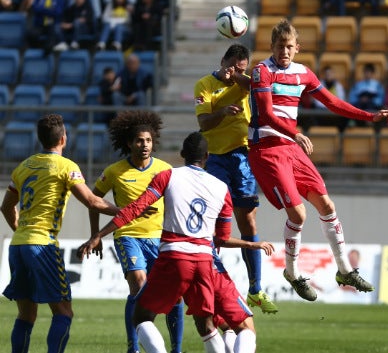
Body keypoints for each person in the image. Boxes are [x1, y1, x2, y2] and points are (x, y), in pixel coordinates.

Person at [78, 132, 267, 353]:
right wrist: (251, 245)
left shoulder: (168, 175)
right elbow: (221, 238)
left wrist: (100, 234)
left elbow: (134, 209)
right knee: (223, 325)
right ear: (207, 156)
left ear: (182, 155)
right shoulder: (221, 188)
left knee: (141, 316)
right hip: (206, 261)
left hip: (173, 257)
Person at [248, 19, 388, 301]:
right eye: (280, 46)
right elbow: (265, 114)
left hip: (290, 147)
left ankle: (344, 269)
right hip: (267, 148)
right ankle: (292, 272)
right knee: (299, 213)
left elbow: (333, 102)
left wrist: (369, 116)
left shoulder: (304, 74)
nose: (284, 51)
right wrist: (297, 133)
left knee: (326, 204)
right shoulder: (262, 71)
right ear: (272, 47)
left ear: (297, 48)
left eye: (289, 47)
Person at [0, 114, 119, 353]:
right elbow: (93, 202)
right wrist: (127, 211)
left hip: (18, 244)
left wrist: (21, 232)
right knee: (63, 311)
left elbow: (5, 206)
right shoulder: (66, 167)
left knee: (26, 314)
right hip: (42, 245)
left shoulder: (24, 166)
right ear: (64, 139)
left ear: (40, 139)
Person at [87, 111, 184, 353]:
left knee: (175, 295)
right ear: (129, 143)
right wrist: (95, 233)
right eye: (139, 140)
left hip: (161, 238)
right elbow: (93, 200)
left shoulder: (165, 170)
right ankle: (133, 348)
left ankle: (177, 348)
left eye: (148, 140)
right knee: (139, 285)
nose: (144, 145)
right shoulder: (114, 171)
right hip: (128, 235)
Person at [194, 43, 278, 314]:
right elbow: (203, 123)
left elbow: (255, 85)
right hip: (215, 158)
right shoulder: (204, 85)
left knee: (248, 219)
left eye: (242, 68)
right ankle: (208, 282)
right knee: (215, 220)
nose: (237, 72)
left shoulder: (245, 81)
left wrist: (239, 77)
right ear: (222, 61)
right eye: (233, 66)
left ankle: (255, 289)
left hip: (243, 156)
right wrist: (223, 110)